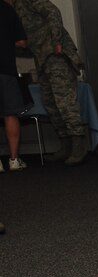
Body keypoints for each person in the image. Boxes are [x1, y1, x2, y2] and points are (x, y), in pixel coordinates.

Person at [12, 0, 88, 166]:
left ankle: (77, 146)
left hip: (56, 54)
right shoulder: (13, 8)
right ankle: (65, 145)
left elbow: (53, 12)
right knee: (50, 103)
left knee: (65, 101)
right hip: (42, 58)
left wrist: (56, 41)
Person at [1, 0, 28, 173]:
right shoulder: (7, 9)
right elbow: (22, 43)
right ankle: (13, 160)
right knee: (10, 113)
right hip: (5, 68)